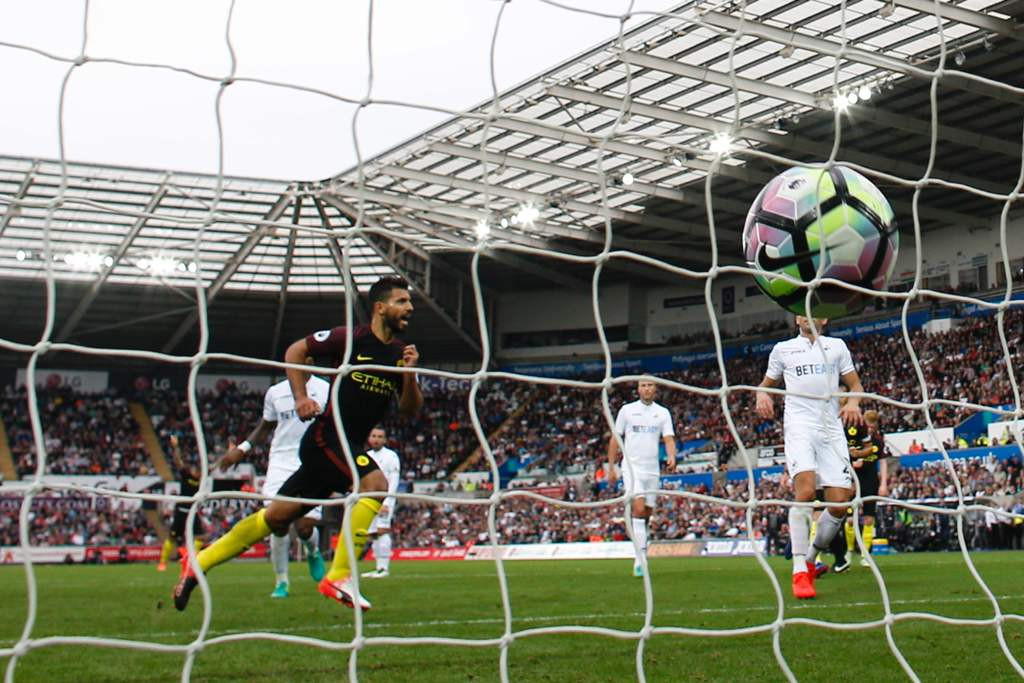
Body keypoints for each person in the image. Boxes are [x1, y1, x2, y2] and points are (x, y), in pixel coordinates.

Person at [174, 275, 422, 612]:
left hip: (345, 445)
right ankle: (339, 575)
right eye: (402, 301)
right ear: (380, 308)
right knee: (374, 484)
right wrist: (301, 396)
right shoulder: (351, 339)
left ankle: (199, 562)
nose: (410, 308)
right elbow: (296, 349)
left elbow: (409, 410)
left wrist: (409, 373)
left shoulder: (399, 354)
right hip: (326, 438)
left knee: (277, 518)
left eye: (410, 302)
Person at [756, 315, 864, 600]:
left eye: (813, 312)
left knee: (841, 503)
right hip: (800, 427)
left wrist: (853, 402)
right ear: (796, 318)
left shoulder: (837, 346)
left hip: (831, 429)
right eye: (801, 312)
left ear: (824, 318)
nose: (806, 317)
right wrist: (762, 396)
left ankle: (811, 558)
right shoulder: (783, 349)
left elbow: (856, 385)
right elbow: (765, 384)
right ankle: (799, 571)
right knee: (804, 491)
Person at [212, 366, 331, 598]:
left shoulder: (325, 389)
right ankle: (282, 582)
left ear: (309, 360)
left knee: (305, 527)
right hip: (281, 462)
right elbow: (265, 427)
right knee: (277, 523)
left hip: (313, 460)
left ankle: (312, 550)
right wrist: (242, 450)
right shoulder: (276, 392)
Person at [606, 377, 677, 577]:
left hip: (652, 469)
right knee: (638, 508)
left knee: (646, 513)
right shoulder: (627, 411)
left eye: (650, 385)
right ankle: (640, 559)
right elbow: (615, 437)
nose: (646, 389)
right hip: (632, 467)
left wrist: (671, 455)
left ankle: (641, 547)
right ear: (638, 389)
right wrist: (611, 466)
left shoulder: (662, 413)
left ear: (656, 389)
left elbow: (668, 438)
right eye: (643, 386)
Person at [846, 409, 889, 567]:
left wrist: (883, 483)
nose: (869, 429)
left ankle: (865, 554)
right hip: (853, 482)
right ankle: (849, 551)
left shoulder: (878, 441)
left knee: (869, 519)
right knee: (850, 520)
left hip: (871, 482)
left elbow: (883, 461)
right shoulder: (854, 438)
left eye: (872, 427)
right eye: (867, 426)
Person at [157, 435, 205, 571]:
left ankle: (191, 560)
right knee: (172, 537)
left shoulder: (201, 478)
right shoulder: (186, 475)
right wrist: (176, 446)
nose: (198, 472)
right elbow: (178, 461)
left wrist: (229, 453)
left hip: (193, 510)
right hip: (181, 510)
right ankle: (162, 563)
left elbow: (215, 465)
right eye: (196, 470)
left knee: (200, 538)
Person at [361, 426, 401, 579]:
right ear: (369, 438)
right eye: (373, 436)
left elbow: (393, 480)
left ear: (384, 440)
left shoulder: (391, 456)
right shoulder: (365, 456)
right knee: (373, 534)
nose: (376, 439)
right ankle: (378, 568)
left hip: (384, 500)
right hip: (369, 500)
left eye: (379, 436)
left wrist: (388, 501)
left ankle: (384, 568)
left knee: (382, 530)